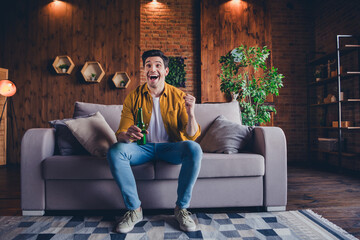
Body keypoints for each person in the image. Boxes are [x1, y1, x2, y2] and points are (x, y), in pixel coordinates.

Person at [107, 49, 203, 234]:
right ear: (144, 71)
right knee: (115, 150)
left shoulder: (178, 96)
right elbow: (121, 133)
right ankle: (134, 210)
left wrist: (191, 114)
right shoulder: (133, 97)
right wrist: (128, 135)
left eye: (158, 65)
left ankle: (181, 209)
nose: (153, 68)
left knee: (194, 148)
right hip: (142, 148)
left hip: (171, 148)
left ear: (165, 71)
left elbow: (191, 135)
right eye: (148, 65)